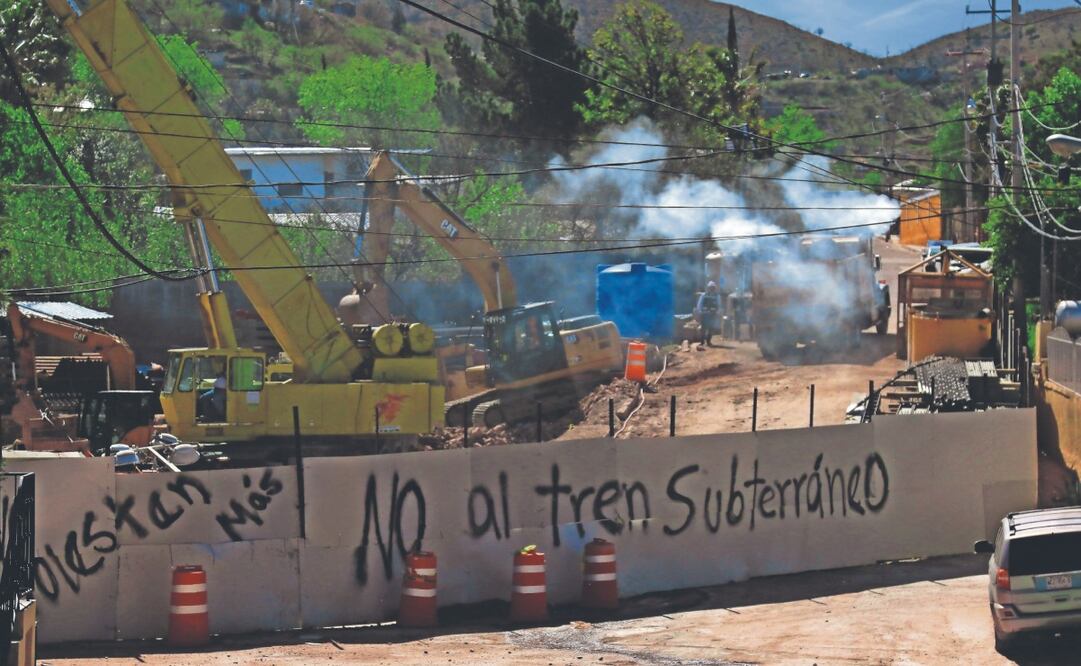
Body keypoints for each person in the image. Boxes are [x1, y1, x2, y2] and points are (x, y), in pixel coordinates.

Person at [694, 281, 723, 347]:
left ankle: (708, 341)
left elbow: (719, 305)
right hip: (704, 314)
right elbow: (699, 304)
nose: (712, 289)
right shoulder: (703, 295)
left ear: (714, 288)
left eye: (713, 287)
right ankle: (702, 342)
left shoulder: (717, 296)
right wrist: (700, 312)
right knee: (703, 328)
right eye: (710, 287)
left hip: (712, 314)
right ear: (708, 288)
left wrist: (718, 312)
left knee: (711, 328)